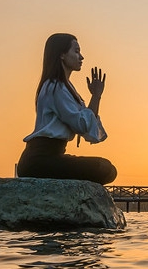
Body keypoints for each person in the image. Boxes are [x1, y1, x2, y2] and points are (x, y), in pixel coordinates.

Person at [16, 33, 118, 184]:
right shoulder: (55, 87)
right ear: (62, 55)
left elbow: (85, 124)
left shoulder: (64, 87)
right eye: (76, 51)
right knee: (104, 168)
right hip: (40, 160)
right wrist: (96, 96)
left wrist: (96, 96)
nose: (81, 57)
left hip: (50, 156)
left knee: (108, 169)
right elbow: (82, 125)